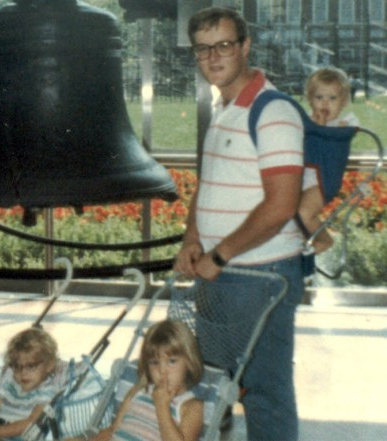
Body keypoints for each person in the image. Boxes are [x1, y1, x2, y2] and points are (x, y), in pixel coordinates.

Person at [174, 7, 305, 441]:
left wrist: (220, 253)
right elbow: (209, 185)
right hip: (219, 274)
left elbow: (281, 205)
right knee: (213, 387)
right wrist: (192, 240)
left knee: (263, 392)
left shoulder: (273, 112)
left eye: (224, 45)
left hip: (260, 276)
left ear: (245, 47)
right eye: (203, 49)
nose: (213, 57)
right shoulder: (223, 108)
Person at [76, 320, 204, 441]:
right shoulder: (137, 392)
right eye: (154, 363)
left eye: (171, 361)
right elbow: (113, 430)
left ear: (189, 362)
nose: (162, 371)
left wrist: (162, 407)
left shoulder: (191, 407)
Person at [300, 67, 360, 253]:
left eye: (332, 98)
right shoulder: (306, 123)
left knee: (304, 213)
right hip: (302, 179)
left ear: (343, 102)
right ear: (310, 99)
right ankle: (306, 251)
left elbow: (333, 141)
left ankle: (325, 240)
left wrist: (320, 128)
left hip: (322, 180)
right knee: (290, 218)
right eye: (319, 97)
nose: (325, 103)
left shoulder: (341, 126)